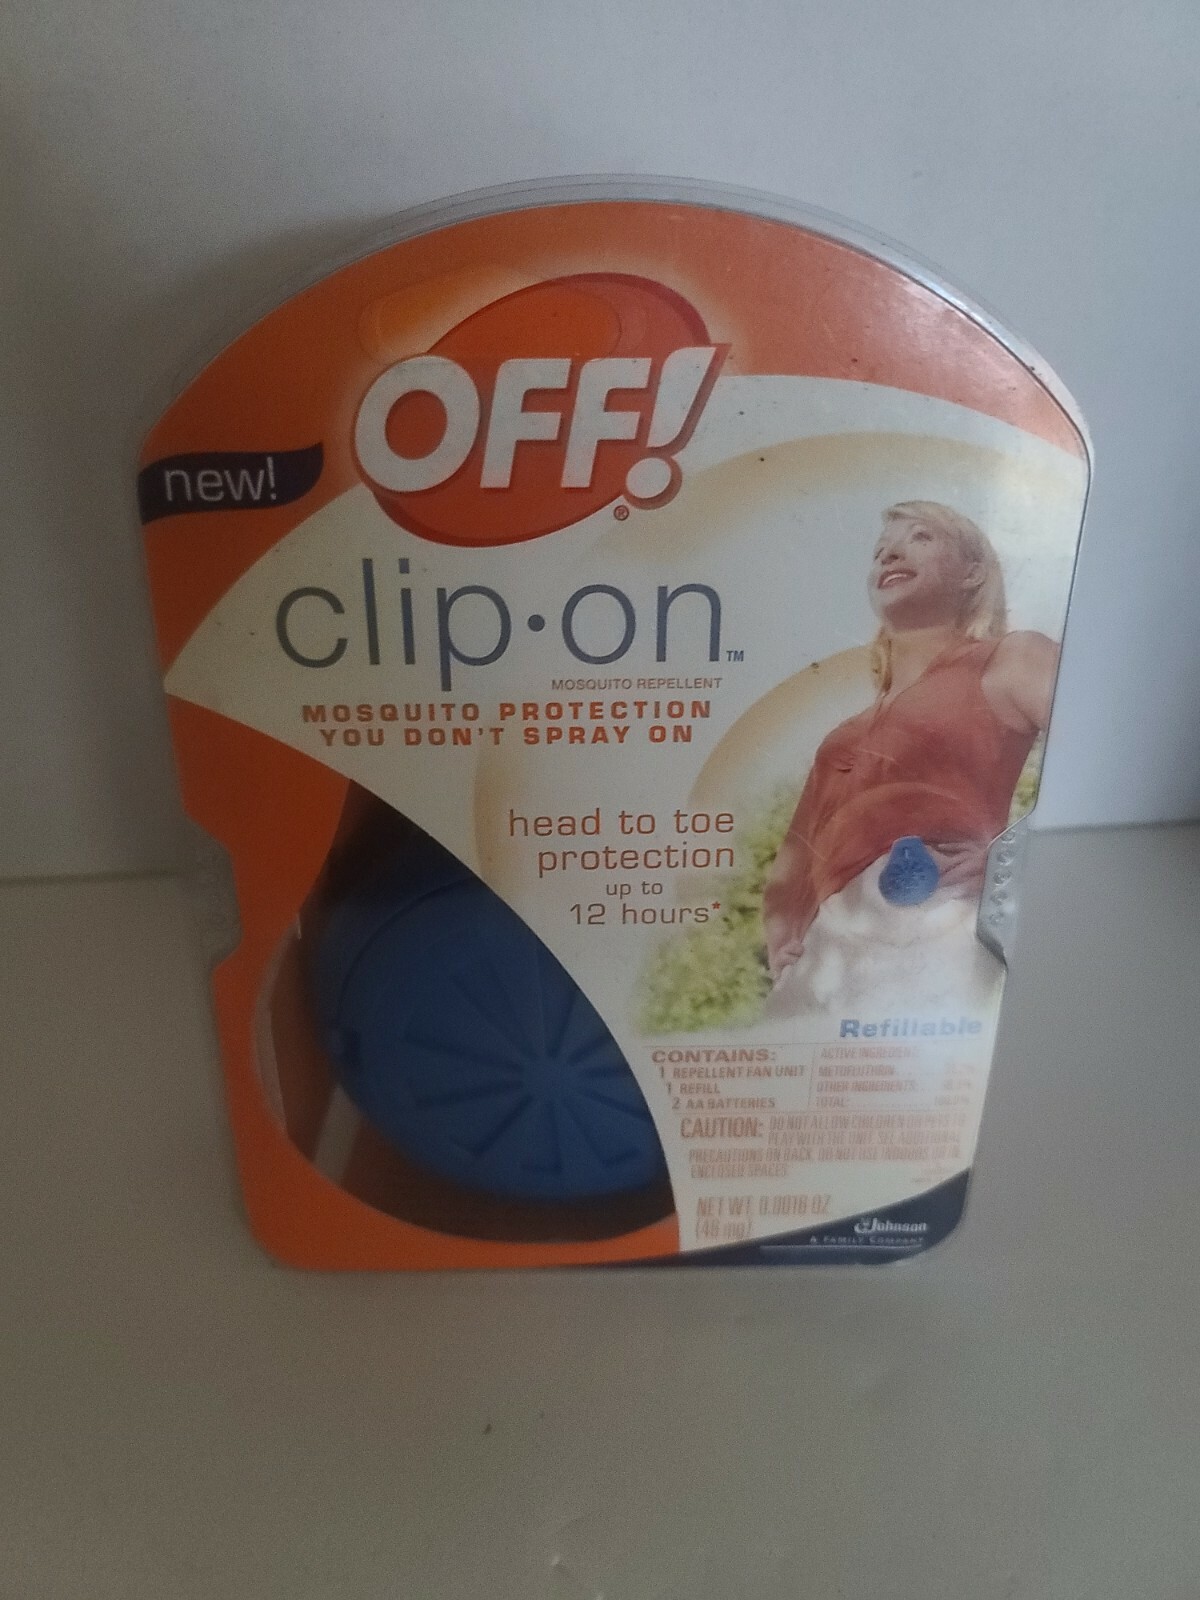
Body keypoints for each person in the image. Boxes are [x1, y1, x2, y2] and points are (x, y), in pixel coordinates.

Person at [762, 500, 1057, 1015]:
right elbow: (794, 859)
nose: (890, 553)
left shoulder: (1011, 659)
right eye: (880, 550)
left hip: (934, 934)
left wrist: (1013, 860)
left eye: (920, 536)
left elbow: (1101, 760)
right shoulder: (843, 737)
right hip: (822, 967)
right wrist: (783, 942)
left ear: (973, 572)